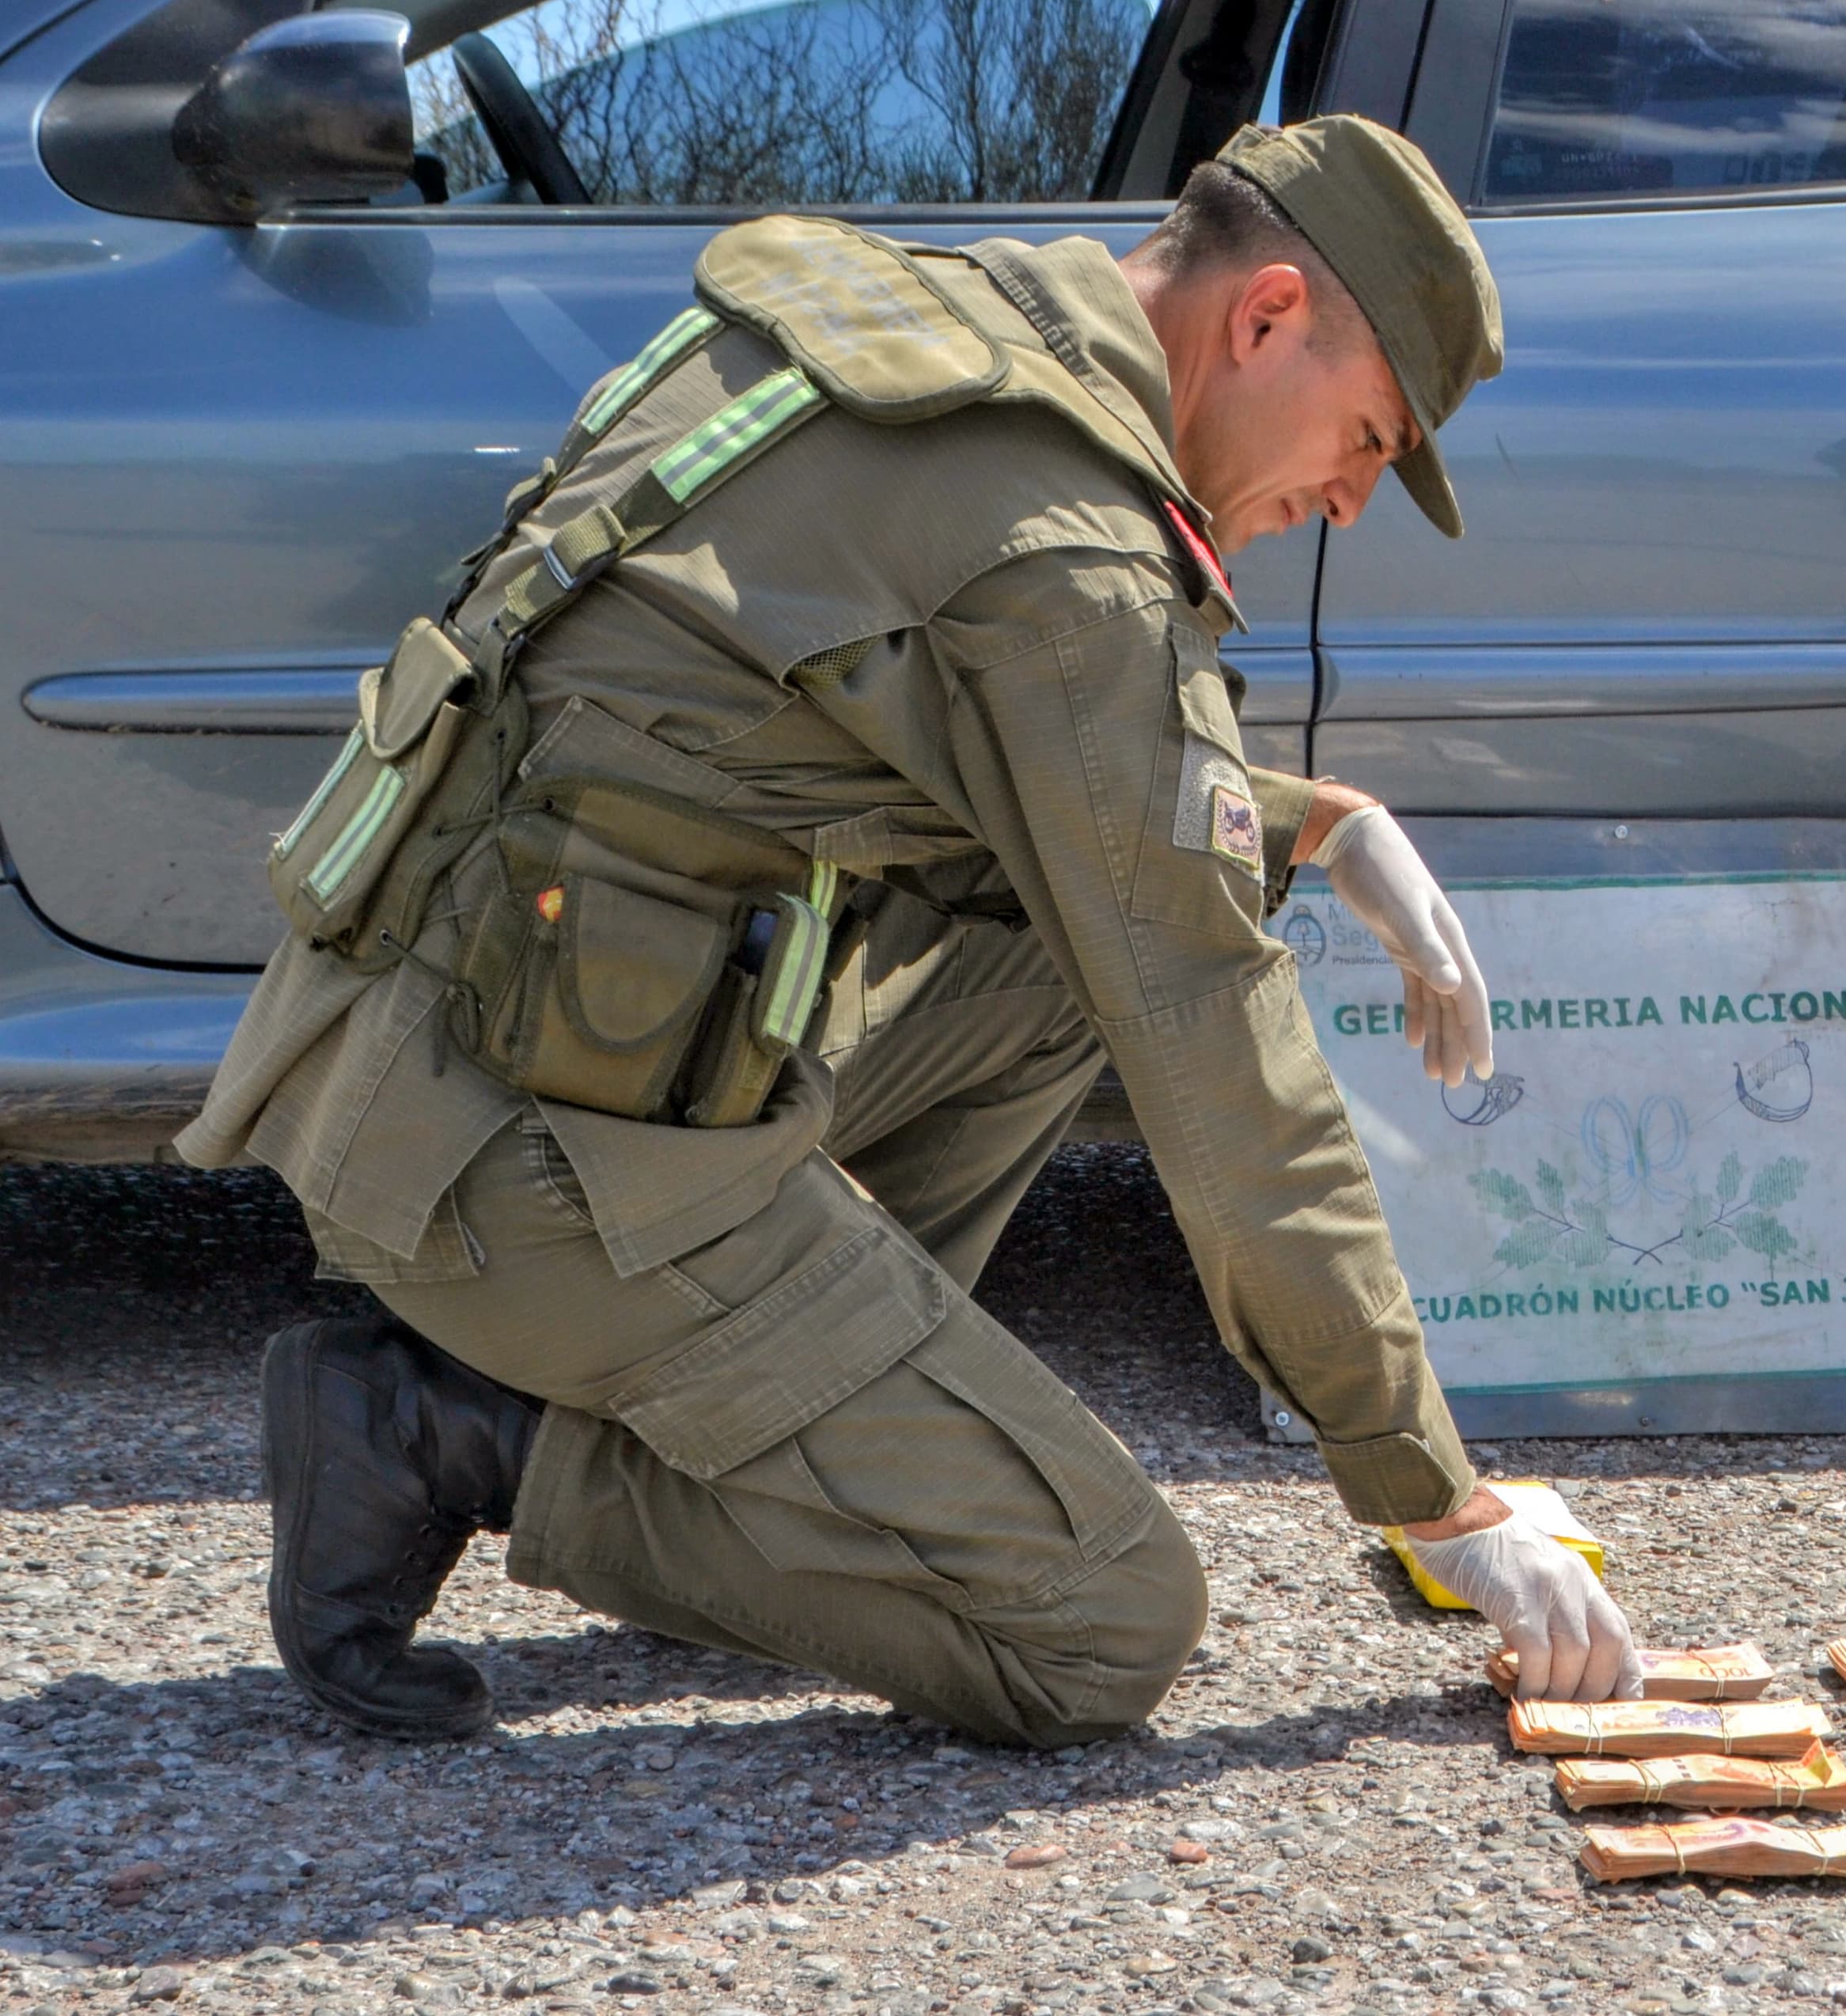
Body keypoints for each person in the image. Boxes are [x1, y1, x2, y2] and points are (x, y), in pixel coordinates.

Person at [182, 116, 1641, 1745]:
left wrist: (1323, 825)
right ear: (1267, 316)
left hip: (428, 1050)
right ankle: (459, 1430)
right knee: (1096, 1624)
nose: (1351, 500)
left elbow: (1058, 809)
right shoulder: (1062, 545)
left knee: (1055, 958)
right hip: (508, 1160)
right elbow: (1215, 1033)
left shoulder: (914, 336)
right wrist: (1430, 1492)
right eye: (1369, 437)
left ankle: (765, 1432)